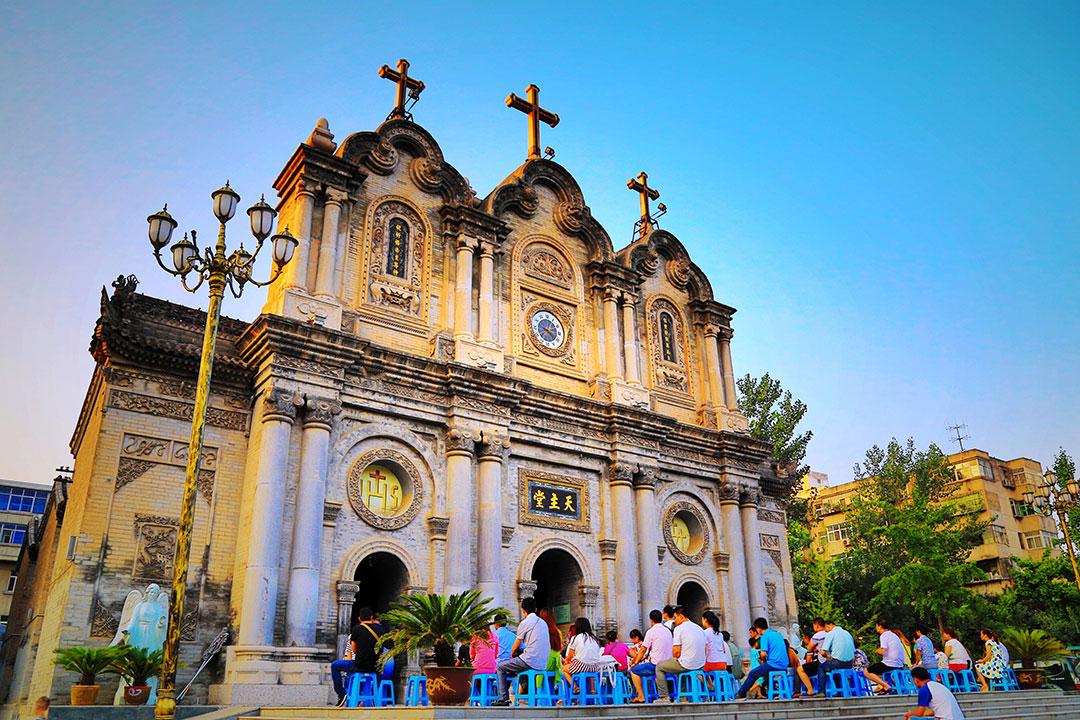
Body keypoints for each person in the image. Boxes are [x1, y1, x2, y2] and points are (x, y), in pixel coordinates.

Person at [493, 597, 551, 706]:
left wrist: (512, 655)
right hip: (543, 663)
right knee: (518, 665)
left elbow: (515, 647)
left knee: (501, 667)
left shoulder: (525, 623)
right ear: (535, 609)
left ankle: (503, 699)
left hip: (530, 661)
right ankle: (526, 692)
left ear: (523, 610)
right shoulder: (543, 623)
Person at [331, 607, 386, 706]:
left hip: (359, 666)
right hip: (375, 668)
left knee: (335, 665)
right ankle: (370, 699)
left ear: (359, 619)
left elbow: (354, 649)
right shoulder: (381, 629)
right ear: (372, 618)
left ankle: (342, 694)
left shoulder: (357, 629)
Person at [653, 606, 706, 703]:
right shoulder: (699, 628)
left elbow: (676, 653)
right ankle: (683, 696)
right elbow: (706, 648)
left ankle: (664, 696)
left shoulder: (679, 629)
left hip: (687, 664)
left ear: (681, 616)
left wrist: (678, 657)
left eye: (675, 617)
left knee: (659, 667)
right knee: (678, 668)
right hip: (700, 664)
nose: (674, 620)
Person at [736, 617, 788, 699]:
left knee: (753, 673)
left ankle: (741, 693)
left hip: (774, 664)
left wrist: (763, 661)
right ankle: (773, 693)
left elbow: (763, 654)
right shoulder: (777, 634)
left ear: (758, 629)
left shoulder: (764, 636)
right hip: (784, 664)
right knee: (766, 673)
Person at [629, 609, 673, 703]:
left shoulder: (651, 631)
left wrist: (635, 662)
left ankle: (641, 696)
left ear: (651, 620)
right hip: (669, 664)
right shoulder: (668, 631)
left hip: (655, 665)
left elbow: (643, 650)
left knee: (634, 670)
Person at [865, 619, 905, 694]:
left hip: (890, 663)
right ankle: (886, 686)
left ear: (879, 626)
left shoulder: (884, 635)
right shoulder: (893, 635)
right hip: (899, 664)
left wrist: (876, 651)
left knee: (866, 671)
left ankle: (885, 685)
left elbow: (883, 651)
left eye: (876, 626)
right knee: (879, 671)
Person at [815, 619, 856, 694]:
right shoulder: (847, 633)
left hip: (838, 663)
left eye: (826, 630)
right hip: (849, 664)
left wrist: (827, 657)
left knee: (821, 667)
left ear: (828, 626)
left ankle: (821, 692)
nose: (826, 632)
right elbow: (853, 652)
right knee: (833, 667)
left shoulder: (831, 633)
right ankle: (839, 692)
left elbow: (823, 652)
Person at [563, 617, 608, 684]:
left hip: (581, 666)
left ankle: (575, 687)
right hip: (594, 667)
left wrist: (566, 662)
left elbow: (569, 656)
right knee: (589, 668)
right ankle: (592, 689)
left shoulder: (576, 637)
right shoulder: (594, 638)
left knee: (564, 670)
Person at [974, 628, 1008, 692]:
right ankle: (985, 684)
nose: (980, 636)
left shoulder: (988, 643)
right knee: (984, 667)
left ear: (985, 635)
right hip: (1000, 664)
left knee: (977, 666)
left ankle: (985, 685)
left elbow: (988, 656)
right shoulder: (994, 642)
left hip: (996, 665)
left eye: (981, 634)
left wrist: (982, 660)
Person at [538, 608, 564, 674]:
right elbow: (560, 649)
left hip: (544, 664)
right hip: (555, 665)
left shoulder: (540, 631)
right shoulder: (558, 632)